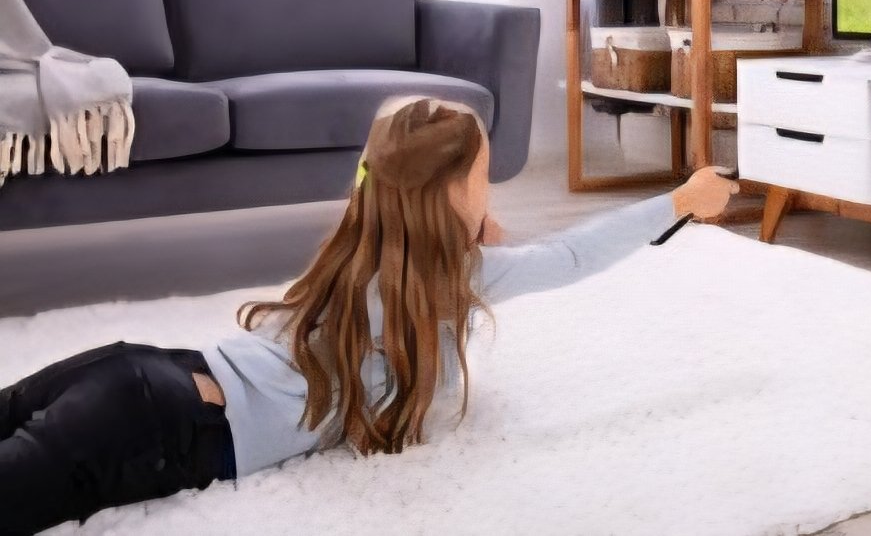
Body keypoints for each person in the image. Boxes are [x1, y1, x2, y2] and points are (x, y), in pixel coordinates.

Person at [0, 97, 738, 536]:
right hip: (171, 431)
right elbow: (572, 256)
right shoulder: (452, 281)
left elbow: (384, 172)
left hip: (141, 369)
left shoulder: (353, 247)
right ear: (452, 197)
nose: (492, 194)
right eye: (484, 179)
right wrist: (679, 200)